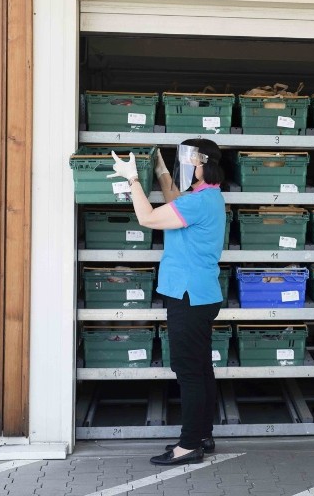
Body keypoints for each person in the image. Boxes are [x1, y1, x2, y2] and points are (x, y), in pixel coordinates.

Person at [107, 138, 226, 466]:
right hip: (202, 295)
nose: (186, 166)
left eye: (191, 161)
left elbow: (147, 217)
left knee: (188, 371)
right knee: (201, 369)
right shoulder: (207, 197)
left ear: (204, 165)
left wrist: (132, 179)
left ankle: (189, 446)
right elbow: (174, 197)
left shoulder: (197, 203)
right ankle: (202, 435)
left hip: (187, 296)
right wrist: (158, 166)